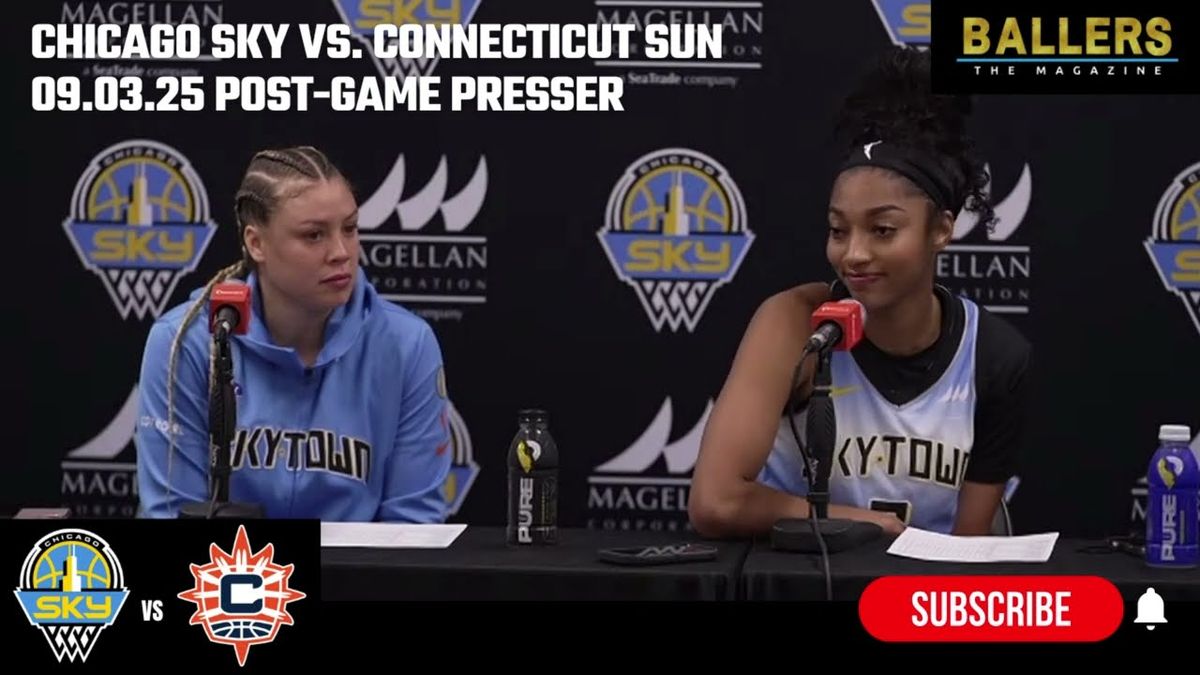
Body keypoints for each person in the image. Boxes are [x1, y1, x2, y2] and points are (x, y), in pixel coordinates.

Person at [689, 47, 1030, 538]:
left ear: (941, 229)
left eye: (883, 230)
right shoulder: (794, 323)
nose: (853, 254)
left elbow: (967, 550)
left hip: (915, 588)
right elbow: (716, 502)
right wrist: (870, 525)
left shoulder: (995, 356)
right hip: (797, 576)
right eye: (838, 230)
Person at [135, 146, 452, 521]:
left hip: (358, 563)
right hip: (227, 561)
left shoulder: (406, 344)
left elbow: (413, 524)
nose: (341, 252)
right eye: (314, 235)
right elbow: (172, 514)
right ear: (257, 243)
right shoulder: (186, 341)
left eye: (350, 229)